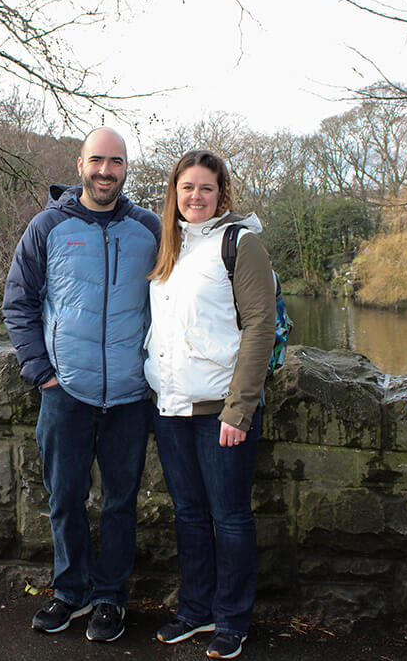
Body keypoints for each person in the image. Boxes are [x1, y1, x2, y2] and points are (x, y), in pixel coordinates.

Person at [2, 127, 161, 643]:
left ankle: (110, 599)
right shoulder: (47, 227)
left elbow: (177, 302)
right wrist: (41, 374)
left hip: (131, 396)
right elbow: (19, 303)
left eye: (115, 162)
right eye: (97, 160)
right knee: (66, 497)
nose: (105, 170)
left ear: (126, 169)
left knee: (120, 502)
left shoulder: (150, 229)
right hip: (65, 392)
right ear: (79, 164)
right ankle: (70, 592)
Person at [144, 150, 276, 660]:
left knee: (231, 517)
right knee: (190, 516)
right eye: (186, 187)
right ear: (173, 192)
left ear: (222, 194)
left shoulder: (240, 244)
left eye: (205, 188)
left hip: (221, 408)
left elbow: (259, 328)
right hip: (170, 407)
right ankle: (195, 612)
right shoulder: (168, 248)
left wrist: (239, 409)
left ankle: (233, 619)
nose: (194, 197)